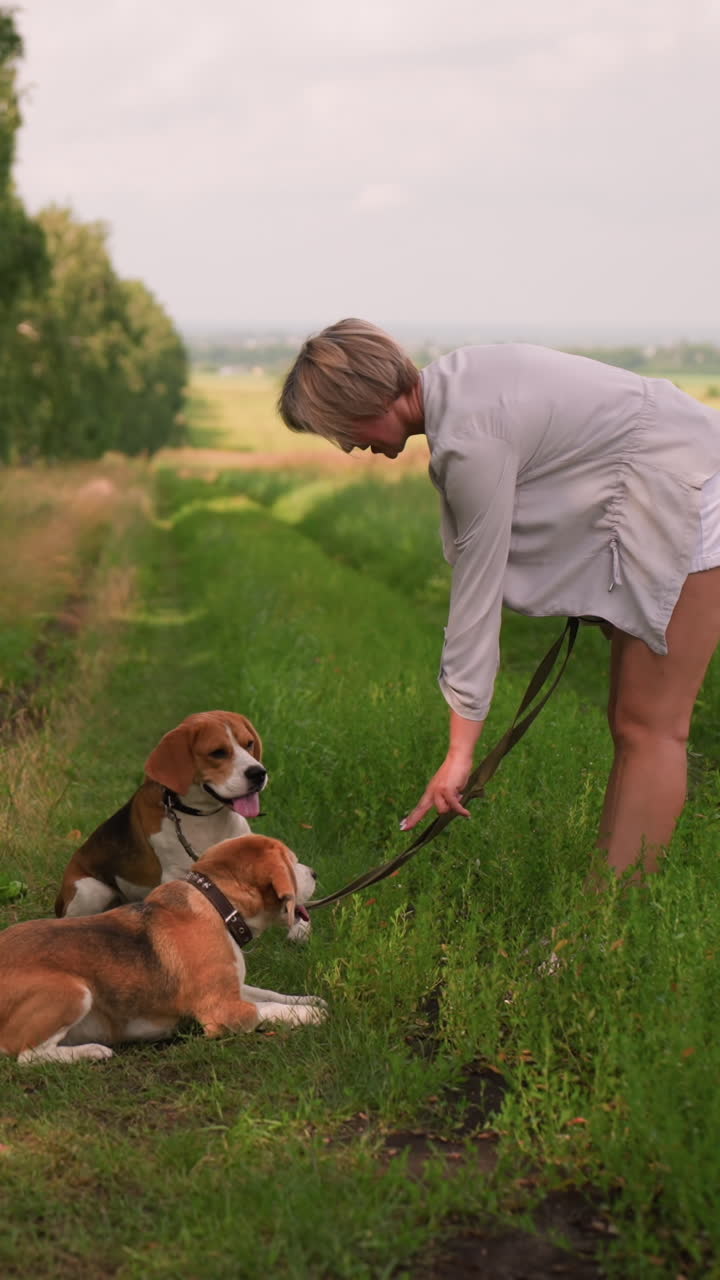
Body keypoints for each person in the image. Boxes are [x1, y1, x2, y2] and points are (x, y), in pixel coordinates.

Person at [279, 319, 720, 879]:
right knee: (630, 724)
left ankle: (606, 930)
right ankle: (597, 917)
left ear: (362, 401)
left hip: (695, 496)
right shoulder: (461, 383)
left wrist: (460, 754)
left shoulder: (468, 439)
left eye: (337, 428)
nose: (346, 445)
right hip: (674, 485)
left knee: (652, 728)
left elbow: (475, 599)